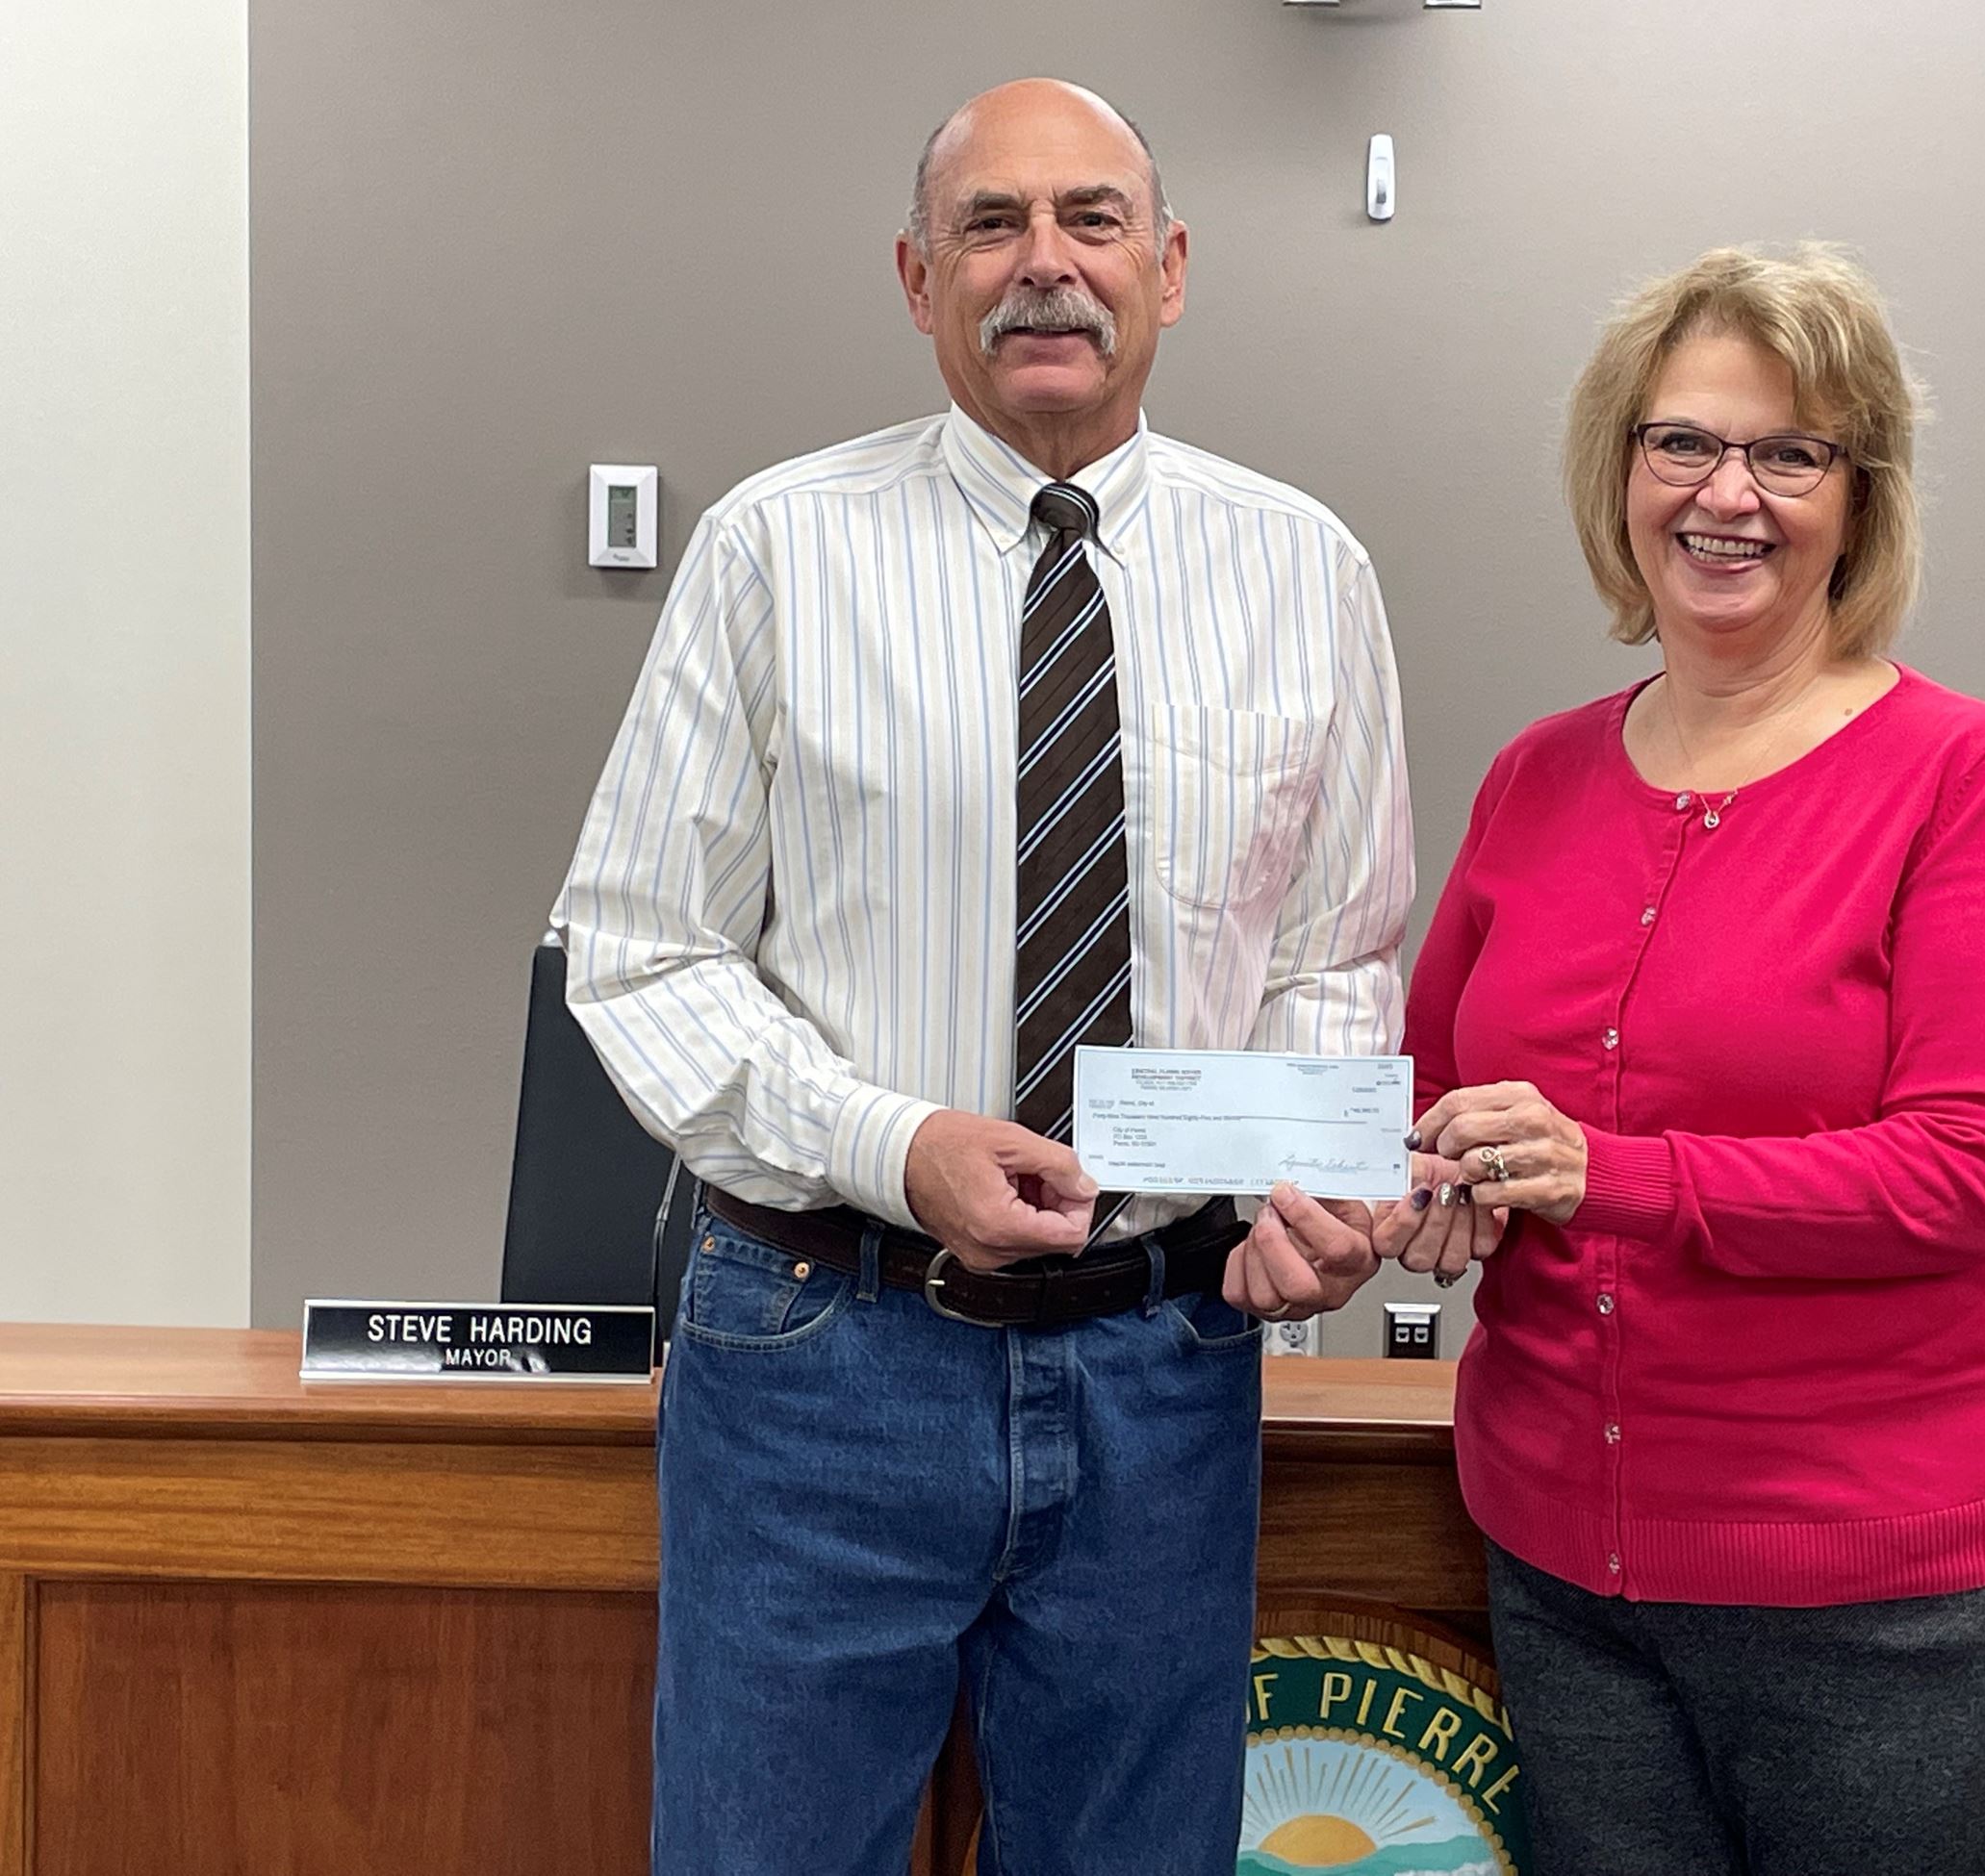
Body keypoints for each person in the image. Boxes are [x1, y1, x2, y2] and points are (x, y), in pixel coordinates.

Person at [556, 78, 1411, 1876]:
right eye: (992, 227)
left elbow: (1332, 958)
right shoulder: (777, 551)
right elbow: (641, 950)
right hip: (821, 1351)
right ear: (914, 275)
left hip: (1167, 1364)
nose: (1048, 267)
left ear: (1169, 269)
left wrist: (1310, 1188)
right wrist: (893, 1143)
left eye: (1094, 222)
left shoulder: (1307, 572)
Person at [1377, 243, 1985, 1875]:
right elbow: (1418, 1096)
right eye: (1685, 442)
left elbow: (1979, 1175)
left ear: (1861, 500)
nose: (1730, 493)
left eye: (1792, 452)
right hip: (1569, 1571)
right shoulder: (1535, 777)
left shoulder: (1962, 773)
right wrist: (1388, 1193)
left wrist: (1603, 1169)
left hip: (1891, 1595)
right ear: (1621, 471)